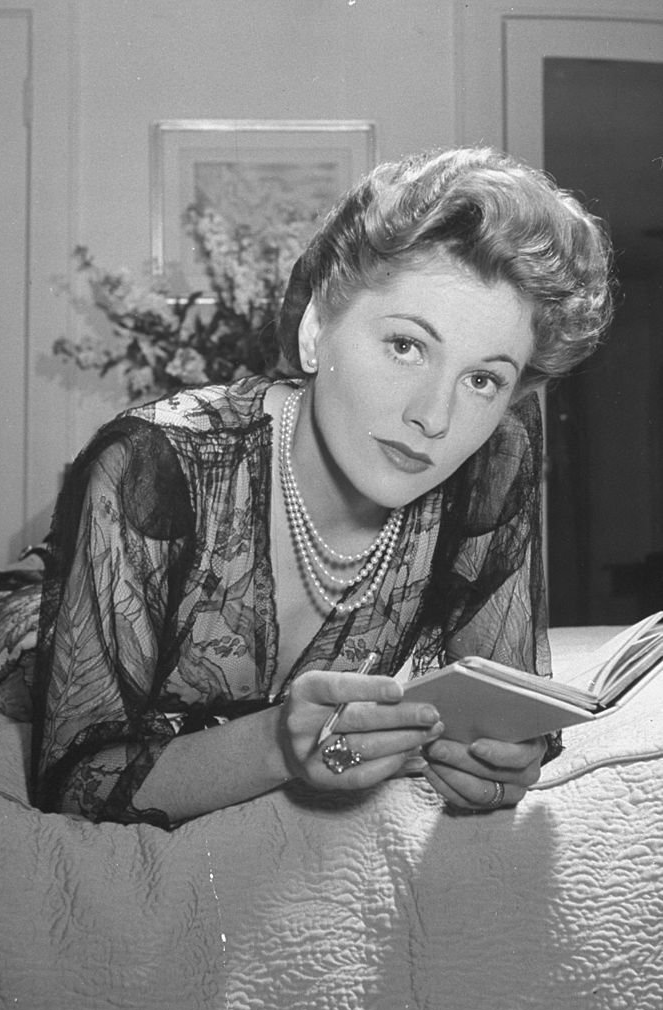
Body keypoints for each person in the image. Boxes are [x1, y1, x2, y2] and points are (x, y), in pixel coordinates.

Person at [31, 146, 612, 829]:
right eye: (406, 345)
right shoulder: (152, 462)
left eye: (483, 379)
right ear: (315, 330)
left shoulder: (495, 460)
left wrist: (504, 758)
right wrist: (278, 742)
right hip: (17, 634)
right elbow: (71, 778)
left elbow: (504, 699)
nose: (434, 416)